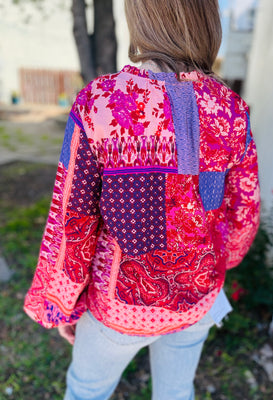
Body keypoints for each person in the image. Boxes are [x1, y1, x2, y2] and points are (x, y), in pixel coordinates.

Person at [24, 0, 260, 399]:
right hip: (198, 299)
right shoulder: (230, 110)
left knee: (86, 392)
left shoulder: (100, 103)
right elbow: (244, 213)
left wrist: (62, 302)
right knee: (176, 392)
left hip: (119, 309)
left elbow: (72, 220)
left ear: (141, 18)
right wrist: (217, 264)